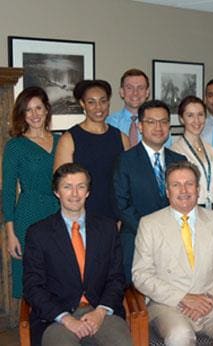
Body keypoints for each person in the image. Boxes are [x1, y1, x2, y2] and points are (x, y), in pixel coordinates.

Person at [132, 161, 213, 346]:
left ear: (198, 189)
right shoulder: (149, 224)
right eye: (176, 185)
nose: (184, 190)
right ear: (167, 192)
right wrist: (184, 298)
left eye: (189, 184)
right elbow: (141, 275)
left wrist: (210, 298)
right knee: (179, 335)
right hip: (169, 305)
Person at [23, 163, 131, 346]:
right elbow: (33, 286)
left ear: (88, 192)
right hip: (58, 319)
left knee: (122, 342)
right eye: (67, 187)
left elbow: (116, 278)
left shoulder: (107, 228)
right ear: (57, 192)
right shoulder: (38, 233)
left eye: (81, 187)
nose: (75, 194)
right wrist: (66, 319)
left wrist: (100, 311)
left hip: (101, 313)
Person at [113, 99, 186, 283]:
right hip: (137, 239)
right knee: (137, 302)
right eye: (151, 122)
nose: (158, 127)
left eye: (163, 121)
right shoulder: (125, 160)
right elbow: (121, 204)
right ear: (140, 126)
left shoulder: (179, 160)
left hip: (176, 241)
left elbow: (186, 200)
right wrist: (151, 233)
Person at [2, 87, 60, 299]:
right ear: (22, 115)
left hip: (58, 212)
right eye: (28, 110)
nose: (34, 114)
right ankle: (31, 329)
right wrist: (10, 234)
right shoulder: (15, 146)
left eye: (38, 108)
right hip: (28, 214)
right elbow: (8, 191)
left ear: (46, 110)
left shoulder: (62, 140)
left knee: (59, 271)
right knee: (31, 275)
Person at [54, 80, 130, 221]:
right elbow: (61, 184)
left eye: (103, 101)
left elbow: (128, 182)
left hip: (116, 216)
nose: (98, 107)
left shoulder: (121, 138)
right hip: (80, 216)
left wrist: (122, 217)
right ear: (82, 104)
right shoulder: (69, 139)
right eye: (91, 102)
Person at [172, 95, 213, 212]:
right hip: (190, 211)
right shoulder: (176, 151)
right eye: (190, 115)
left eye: (200, 115)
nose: (196, 121)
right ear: (181, 119)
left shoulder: (211, 150)